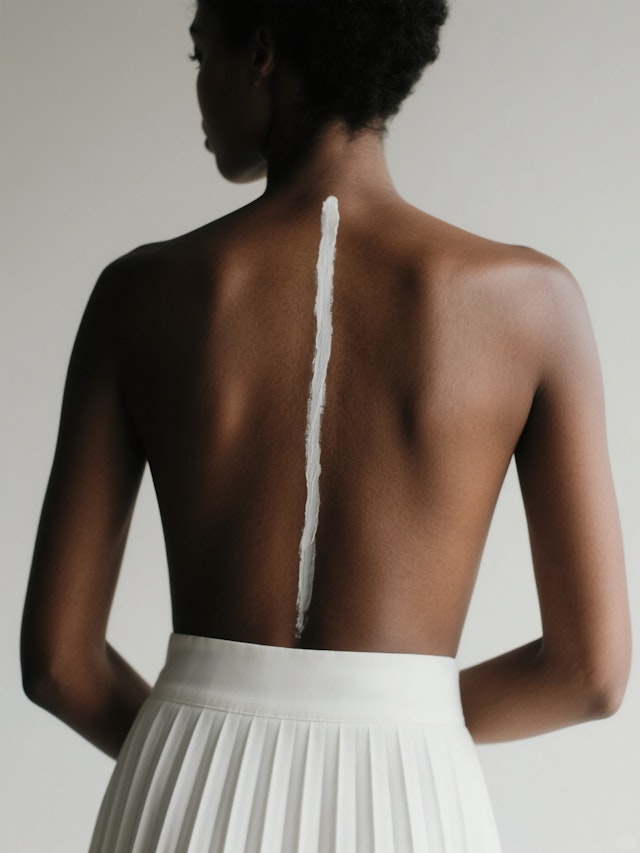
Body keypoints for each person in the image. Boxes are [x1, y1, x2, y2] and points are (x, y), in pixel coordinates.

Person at [21, 0, 631, 851]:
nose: (198, 88)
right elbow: (592, 672)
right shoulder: (535, 305)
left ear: (261, 53)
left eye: (201, 55)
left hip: (186, 798)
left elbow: (58, 661)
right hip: (413, 806)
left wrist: (198, 747)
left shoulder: (139, 297)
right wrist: (398, 721)